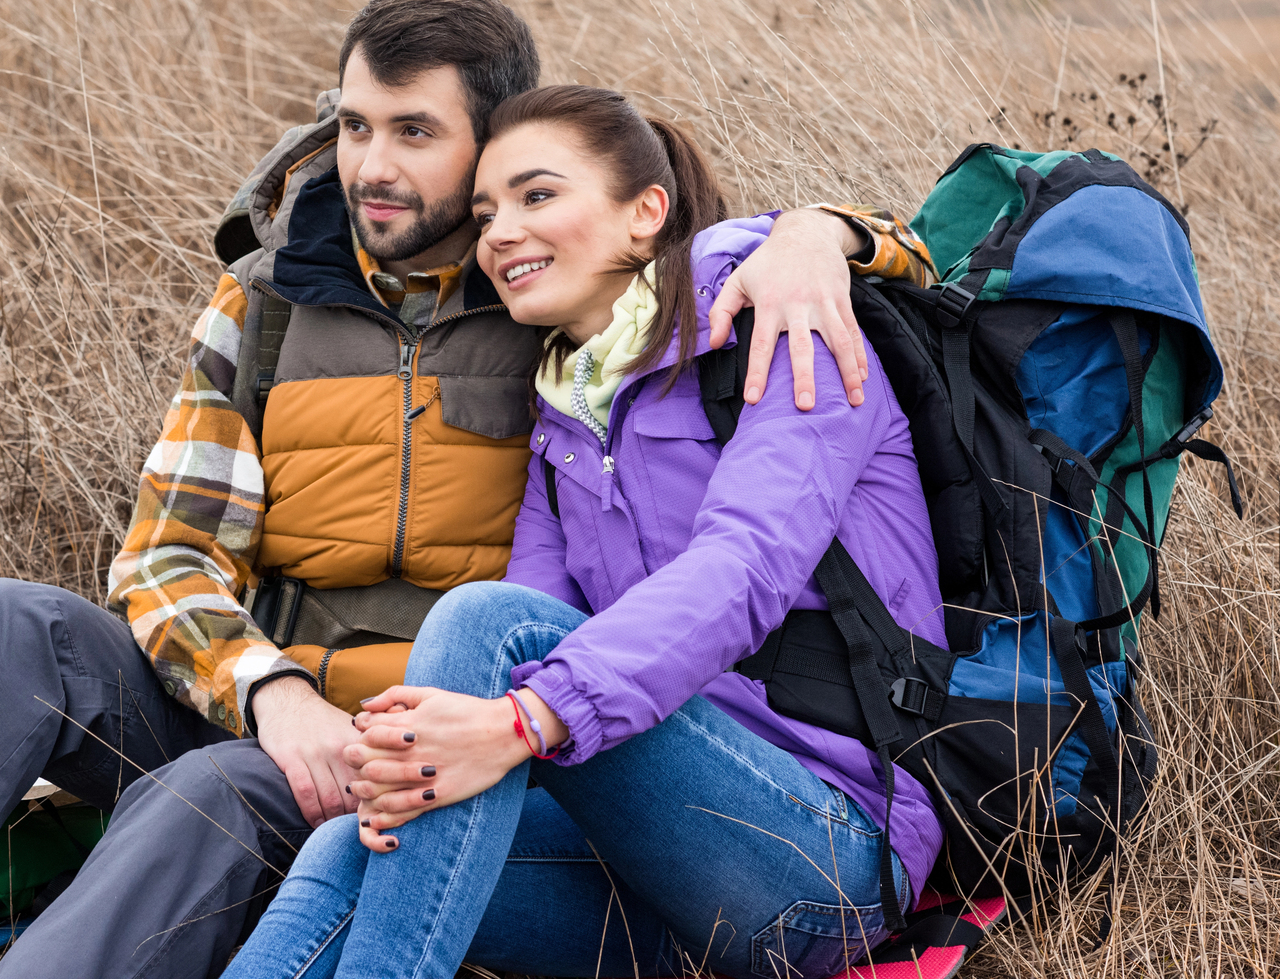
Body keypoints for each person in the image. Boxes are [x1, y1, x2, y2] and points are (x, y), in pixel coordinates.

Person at [0, 0, 936, 979]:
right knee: (7, 622)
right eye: (352, 127)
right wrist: (274, 698)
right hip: (283, 713)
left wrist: (819, 236)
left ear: (491, 139)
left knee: (246, 784)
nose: (373, 168)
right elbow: (168, 553)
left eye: (416, 134)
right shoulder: (273, 307)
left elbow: (773, 300)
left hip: (451, 743)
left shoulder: (553, 314)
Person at [220, 83, 947, 979]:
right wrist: (421, 757)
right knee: (350, 850)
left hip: (822, 854)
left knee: (485, 622)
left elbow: (744, 566)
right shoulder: (564, 416)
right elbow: (535, 614)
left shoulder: (787, 332)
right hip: (655, 874)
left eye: (536, 195)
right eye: (486, 212)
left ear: (646, 213)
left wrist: (527, 720)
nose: (498, 233)